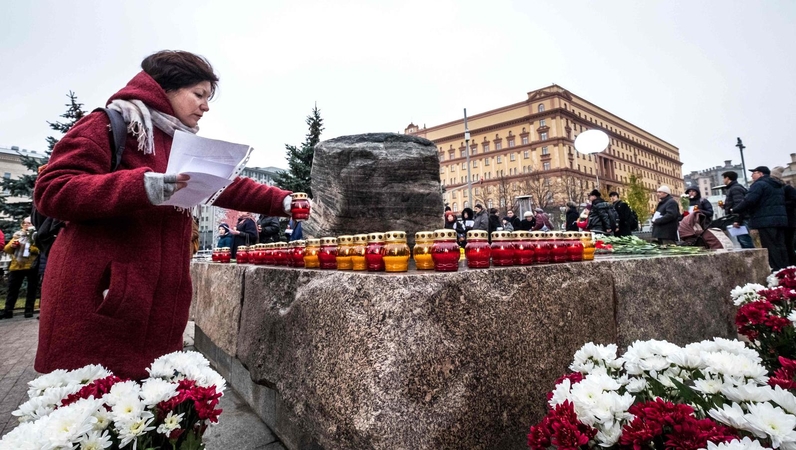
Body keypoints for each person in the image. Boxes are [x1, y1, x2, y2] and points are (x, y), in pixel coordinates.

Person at [33, 50, 298, 379]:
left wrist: (287, 201)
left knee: (154, 409)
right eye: (198, 94)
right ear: (163, 90)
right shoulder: (107, 124)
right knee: (95, 417)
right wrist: (140, 186)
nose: (206, 106)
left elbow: (225, 185)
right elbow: (53, 190)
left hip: (155, 306)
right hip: (102, 298)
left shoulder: (178, 143)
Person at [732, 166, 789, 271]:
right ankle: (786, 270)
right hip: (780, 220)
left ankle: (776, 271)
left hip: (766, 220)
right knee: (781, 245)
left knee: (770, 246)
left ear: (761, 174)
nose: (752, 175)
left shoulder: (759, 184)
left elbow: (749, 200)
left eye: (754, 172)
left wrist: (734, 210)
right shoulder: (777, 185)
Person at [2, 217, 40, 319]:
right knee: (12, 289)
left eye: (29, 223)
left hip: (31, 266)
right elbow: (7, 249)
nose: (27, 225)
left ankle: (29, 310)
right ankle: (8, 311)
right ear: (22, 225)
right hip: (17, 266)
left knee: (31, 289)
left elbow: (39, 250)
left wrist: (31, 247)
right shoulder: (17, 235)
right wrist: (13, 246)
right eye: (25, 223)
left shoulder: (35, 235)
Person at [721, 171, 754, 249]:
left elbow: (739, 205)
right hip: (740, 218)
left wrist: (737, 220)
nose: (723, 180)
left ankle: (753, 258)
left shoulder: (735, 189)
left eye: (724, 178)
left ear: (727, 178)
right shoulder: (734, 188)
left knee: (744, 241)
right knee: (742, 240)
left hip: (741, 219)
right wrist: (725, 206)